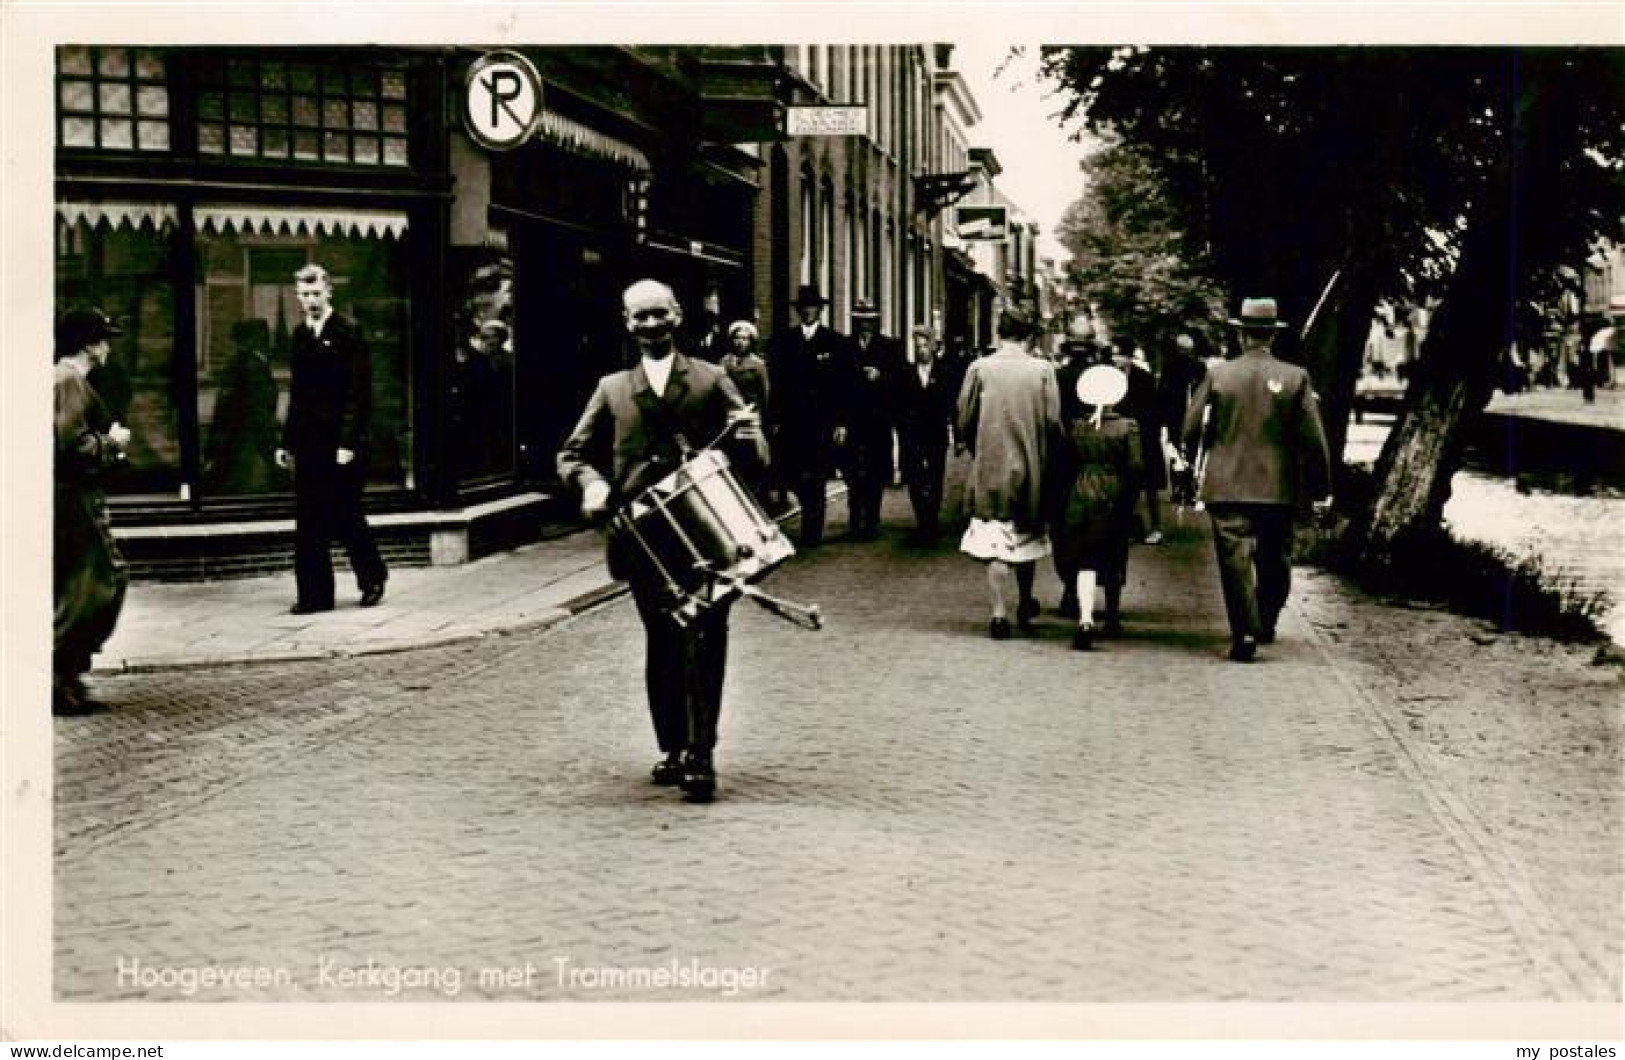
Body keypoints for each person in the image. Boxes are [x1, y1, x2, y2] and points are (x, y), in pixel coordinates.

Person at [556, 279, 768, 804]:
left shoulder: (712, 379)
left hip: (708, 533)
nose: (650, 325)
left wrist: (752, 439)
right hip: (643, 538)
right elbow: (571, 454)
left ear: (676, 316)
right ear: (626, 324)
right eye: (639, 317)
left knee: (707, 637)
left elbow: (757, 453)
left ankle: (702, 754)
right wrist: (593, 484)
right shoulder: (611, 388)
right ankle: (673, 745)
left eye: (659, 314)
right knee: (663, 640)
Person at [1182, 297, 1332, 662]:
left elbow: (1190, 426)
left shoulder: (1218, 374)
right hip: (1279, 488)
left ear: (1241, 334)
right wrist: (1321, 488)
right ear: (1272, 336)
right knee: (1275, 561)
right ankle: (1265, 620)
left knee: (1235, 563)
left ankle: (1244, 633)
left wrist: (1187, 461)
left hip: (1226, 484)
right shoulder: (1296, 377)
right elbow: (1314, 440)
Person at [274, 263, 388, 614]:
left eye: (316, 293)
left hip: (340, 445)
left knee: (346, 515)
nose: (310, 300)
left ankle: (372, 577)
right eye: (304, 295)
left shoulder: (349, 332)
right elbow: (297, 394)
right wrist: (287, 442)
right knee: (308, 520)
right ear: (297, 297)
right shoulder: (299, 335)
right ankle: (314, 596)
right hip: (309, 443)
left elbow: (358, 393)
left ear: (329, 292)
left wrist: (347, 444)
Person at [956, 305, 1061, 640]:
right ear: (1029, 335)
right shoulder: (1043, 370)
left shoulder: (980, 368)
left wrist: (979, 448)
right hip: (1030, 465)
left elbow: (964, 415)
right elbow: (1052, 421)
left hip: (990, 464)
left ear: (999, 333)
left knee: (994, 540)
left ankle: (998, 611)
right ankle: (1026, 600)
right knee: (1025, 534)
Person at [54, 307, 132, 715]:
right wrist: (113, 442)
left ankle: (66, 677)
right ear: (88, 344)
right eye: (103, 339)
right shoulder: (68, 381)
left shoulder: (67, 380)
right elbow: (72, 446)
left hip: (70, 500)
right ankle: (59, 674)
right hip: (75, 501)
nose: (107, 347)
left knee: (81, 585)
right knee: (99, 580)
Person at [1052, 364, 1144, 651]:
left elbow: (1065, 462)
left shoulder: (1078, 427)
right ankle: (1113, 616)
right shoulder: (1127, 427)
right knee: (1114, 554)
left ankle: (1085, 618)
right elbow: (1136, 466)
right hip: (1113, 494)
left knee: (1085, 559)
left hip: (1081, 492)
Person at [767, 283, 854, 547]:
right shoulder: (784, 342)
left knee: (816, 475)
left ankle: (812, 530)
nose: (808, 313)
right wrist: (774, 420)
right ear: (798, 312)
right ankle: (805, 510)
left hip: (821, 421)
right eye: (804, 309)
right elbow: (777, 384)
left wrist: (841, 422)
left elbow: (843, 386)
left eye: (813, 308)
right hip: (793, 421)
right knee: (792, 473)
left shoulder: (835, 342)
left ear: (820, 311)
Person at [893, 325, 955, 543]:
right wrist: (901, 430)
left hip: (936, 436)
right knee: (915, 478)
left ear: (933, 347)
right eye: (917, 346)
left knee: (935, 478)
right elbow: (898, 406)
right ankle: (922, 519)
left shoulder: (945, 373)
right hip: (912, 436)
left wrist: (958, 436)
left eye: (925, 346)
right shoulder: (905, 374)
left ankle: (932, 520)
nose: (921, 350)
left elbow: (952, 406)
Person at [205, 318, 280, 495]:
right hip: (247, 434)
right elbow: (254, 404)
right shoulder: (250, 364)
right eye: (263, 336)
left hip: (242, 433)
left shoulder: (248, 362)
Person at [845, 300, 901, 540]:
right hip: (854, 419)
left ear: (876, 322)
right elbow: (837, 385)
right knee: (852, 472)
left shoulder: (889, 347)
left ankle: (871, 520)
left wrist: (882, 376)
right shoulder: (845, 346)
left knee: (875, 472)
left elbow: (900, 381)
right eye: (860, 321)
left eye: (869, 321)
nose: (864, 325)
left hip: (878, 421)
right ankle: (855, 518)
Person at [1112, 337, 1166, 545]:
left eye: (1121, 355)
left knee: (1150, 485)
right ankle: (1127, 527)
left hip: (1144, 435)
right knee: (1125, 483)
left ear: (1129, 357)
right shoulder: (1109, 378)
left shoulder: (1144, 378)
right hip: (1120, 436)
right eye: (1114, 355)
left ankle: (1156, 526)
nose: (1117, 360)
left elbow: (1153, 408)